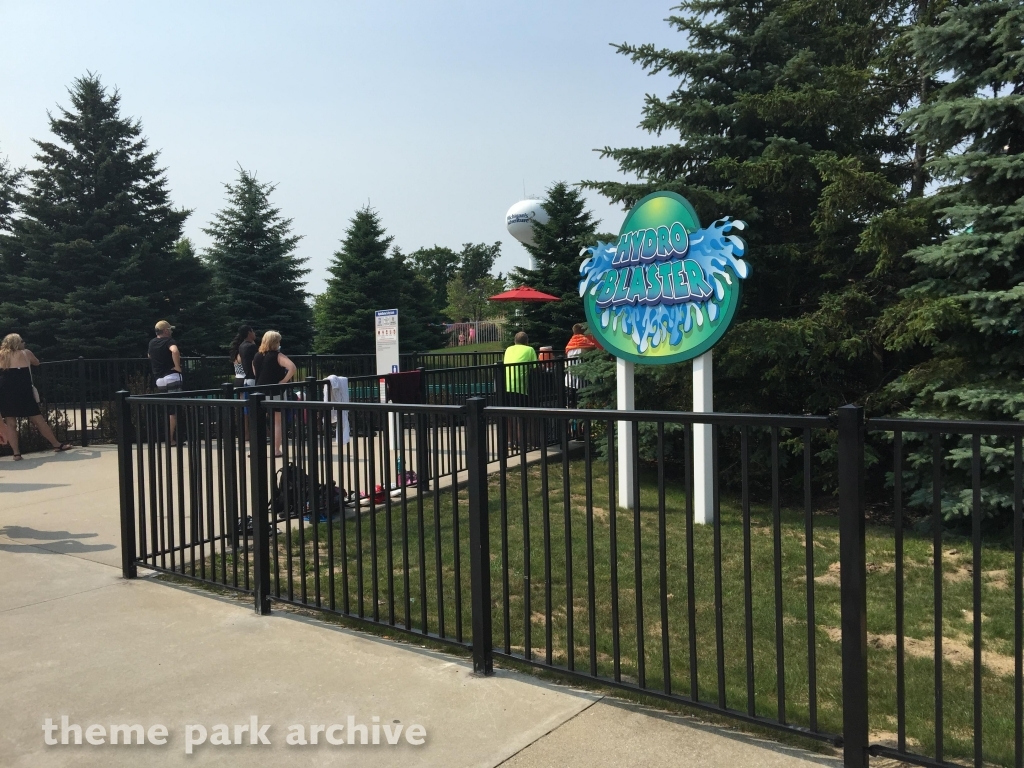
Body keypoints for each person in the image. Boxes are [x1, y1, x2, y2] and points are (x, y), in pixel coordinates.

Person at [0, 334, 73, 459]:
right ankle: (56, 444)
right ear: (17, 343)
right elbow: (36, 362)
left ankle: (16, 453)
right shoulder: (25, 353)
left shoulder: (1, 355)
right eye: (22, 341)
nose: (24, 343)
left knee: (11, 423)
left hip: (5, 392)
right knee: (38, 420)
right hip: (23, 391)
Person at [253, 330, 296, 456]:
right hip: (275, 391)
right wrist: (283, 381)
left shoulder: (257, 356)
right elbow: (292, 367)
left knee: (260, 421)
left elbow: (255, 371)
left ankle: (257, 449)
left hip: (259, 391)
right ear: (275, 342)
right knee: (277, 421)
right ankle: (276, 449)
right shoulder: (277, 355)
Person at [148, 320, 182, 443]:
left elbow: (149, 356)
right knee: (174, 410)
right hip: (172, 376)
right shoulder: (169, 341)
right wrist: (177, 366)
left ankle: (168, 436)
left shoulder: (152, 342)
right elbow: (174, 351)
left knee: (167, 407)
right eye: (170, 329)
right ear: (166, 331)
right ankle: (170, 438)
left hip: (159, 379)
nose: (171, 331)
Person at [565, 322, 598, 396]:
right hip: (584, 375)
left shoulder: (570, 343)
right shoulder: (585, 341)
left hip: (571, 373)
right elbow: (593, 350)